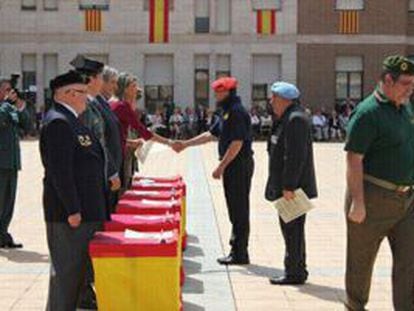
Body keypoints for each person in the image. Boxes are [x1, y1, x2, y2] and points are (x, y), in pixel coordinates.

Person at [344, 55, 414, 310]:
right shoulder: (367, 113)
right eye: (405, 83)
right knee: (360, 264)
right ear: (387, 79)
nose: (410, 88)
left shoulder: (405, 106)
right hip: (373, 198)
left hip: (406, 201)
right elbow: (354, 160)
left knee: (409, 263)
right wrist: (358, 203)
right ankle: (355, 306)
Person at [40, 71, 107, 310]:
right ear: (68, 94)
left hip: (85, 212)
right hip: (71, 216)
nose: (87, 99)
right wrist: (73, 209)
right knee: (66, 280)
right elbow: (60, 172)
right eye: (83, 93)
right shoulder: (58, 122)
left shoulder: (72, 120)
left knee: (77, 279)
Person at [173, 77, 254, 265]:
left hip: (238, 165)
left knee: (239, 208)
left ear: (228, 92)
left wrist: (221, 166)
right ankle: (237, 249)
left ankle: (240, 252)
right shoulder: (226, 111)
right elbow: (211, 134)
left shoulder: (236, 112)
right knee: (234, 207)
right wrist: (185, 144)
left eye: (219, 92)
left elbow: (237, 143)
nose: (216, 95)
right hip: (233, 164)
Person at [265, 82, 317, 285]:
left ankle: (294, 272)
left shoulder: (295, 119)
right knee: (291, 229)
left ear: (285, 100)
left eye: (274, 98)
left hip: (292, 189)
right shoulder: (285, 118)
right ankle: (297, 269)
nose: (271, 102)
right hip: (287, 187)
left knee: (292, 230)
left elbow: (295, 157)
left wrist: (289, 186)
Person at [110, 73, 174, 190]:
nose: (136, 89)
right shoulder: (122, 106)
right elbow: (144, 132)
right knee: (119, 191)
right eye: (133, 86)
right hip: (117, 154)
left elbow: (117, 133)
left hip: (116, 151)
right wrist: (169, 142)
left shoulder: (115, 103)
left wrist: (129, 142)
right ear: (125, 89)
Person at [0, 77, 30, 248]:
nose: (9, 93)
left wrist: (19, 106)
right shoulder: (3, 108)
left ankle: (3, 234)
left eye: (10, 90)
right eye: (5, 90)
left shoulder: (9, 108)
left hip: (11, 163)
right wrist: (6, 103)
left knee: (8, 202)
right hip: (1, 163)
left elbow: (27, 126)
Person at [96, 66, 123, 212]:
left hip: (112, 168)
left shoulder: (103, 103)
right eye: (112, 83)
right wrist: (112, 171)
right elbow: (101, 141)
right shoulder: (96, 105)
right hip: (106, 171)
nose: (115, 87)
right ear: (102, 83)